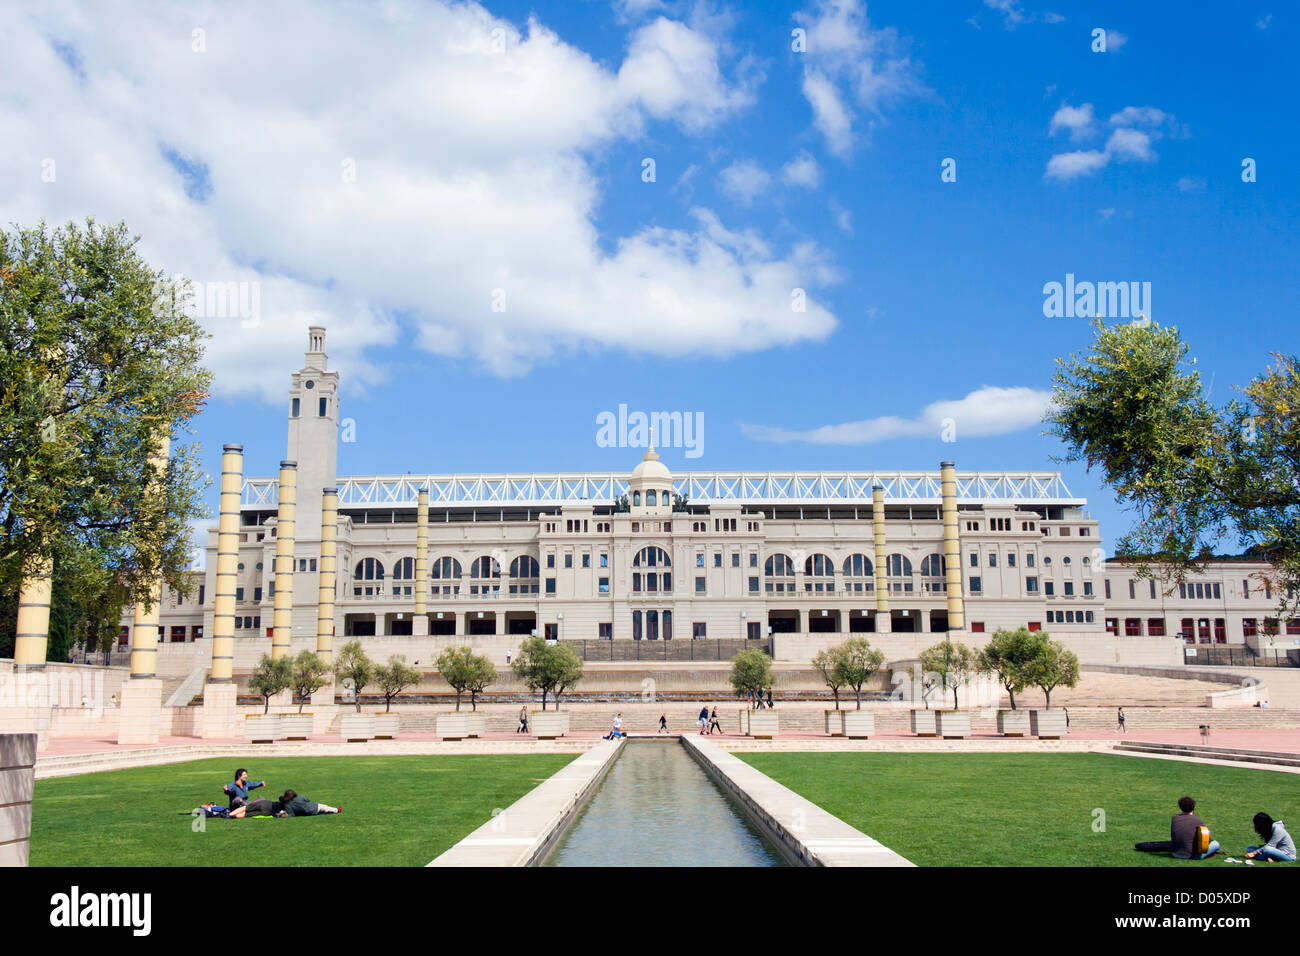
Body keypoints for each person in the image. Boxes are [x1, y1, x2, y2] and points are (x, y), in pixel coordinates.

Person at [1170, 795, 1220, 860]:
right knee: (1216, 844)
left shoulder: (1174, 818)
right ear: (1193, 807)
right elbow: (1208, 839)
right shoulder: (1197, 820)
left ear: (1180, 807)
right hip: (1191, 855)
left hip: (1175, 853)